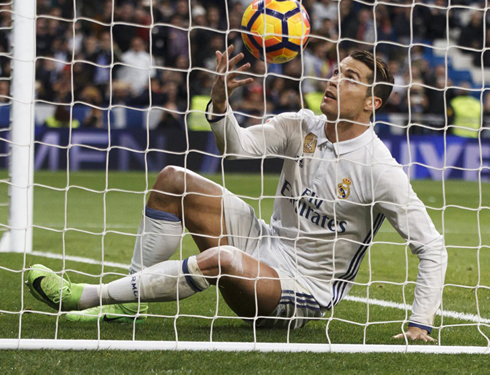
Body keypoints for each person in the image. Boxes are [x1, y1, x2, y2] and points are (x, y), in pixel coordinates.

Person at [26, 46, 447, 341]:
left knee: (223, 259)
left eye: (349, 78)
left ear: (372, 103)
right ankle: (127, 303)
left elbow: (432, 248)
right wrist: (221, 103)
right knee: (174, 177)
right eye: (336, 70)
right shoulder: (302, 125)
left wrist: (420, 323)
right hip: (264, 242)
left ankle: (85, 297)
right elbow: (236, 147)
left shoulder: (381, 170)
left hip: (301, 289)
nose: (334, 80)